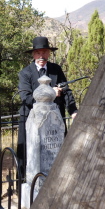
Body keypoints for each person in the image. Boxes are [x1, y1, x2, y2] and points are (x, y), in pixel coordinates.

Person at [17, 37, 78, 178]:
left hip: (54, 120)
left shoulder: (56, 69)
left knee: (59, 153)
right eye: (38, 53)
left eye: (44, 52)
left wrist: (73, 110)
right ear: (33, 55)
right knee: (26, 154)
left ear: (49, 53)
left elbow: (66, 91)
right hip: (30, 120)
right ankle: (23, 185)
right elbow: (26, 98)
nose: (41, 56)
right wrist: (51, 93)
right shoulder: (25, 73)